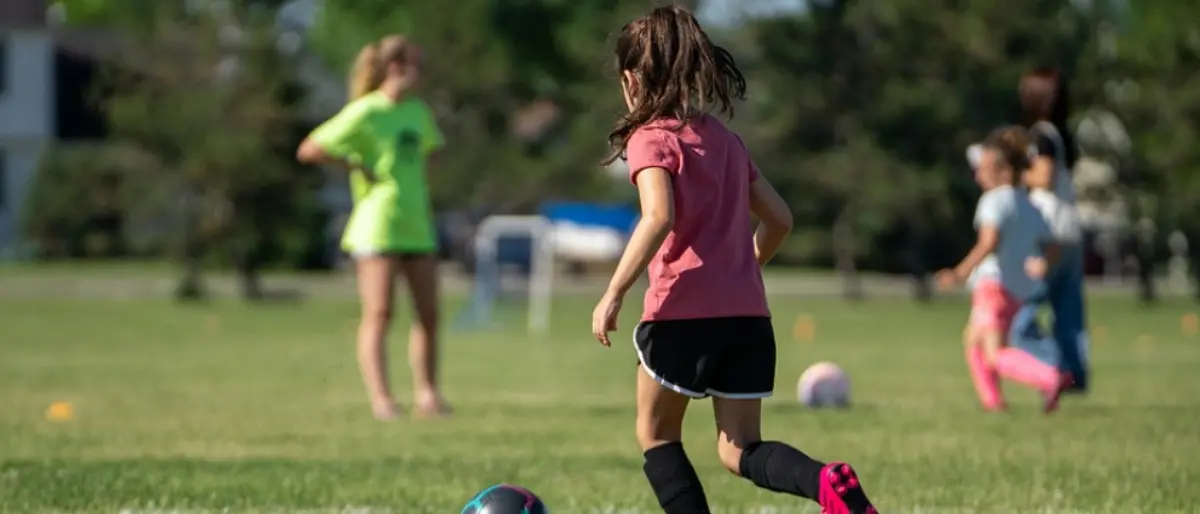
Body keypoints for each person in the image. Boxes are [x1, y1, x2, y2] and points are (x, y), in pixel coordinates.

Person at [589, 6, 877, 514]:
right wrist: (742, 271)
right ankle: (826, 481)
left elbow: (657, 216)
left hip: (680, 315)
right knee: (739, 448)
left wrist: (612, 293)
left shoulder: (649, 139)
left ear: (631, 80)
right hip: (747, 317)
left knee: (656, 436)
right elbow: (780, 218)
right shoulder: (722, 138)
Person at [296, 35, 450, 420]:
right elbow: (310, 149)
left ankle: (427, 395)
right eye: (416, 62)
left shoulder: (418, 112)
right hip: (376, 225)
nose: (422, 71)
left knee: (428, 315)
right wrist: (354, 164)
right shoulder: (365, 111)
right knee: (380, 313)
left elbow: (431, 155)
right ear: (396, 66)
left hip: (417, 224)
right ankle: (382, 399)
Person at [941, 127, 1074, 414]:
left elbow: (989, 241)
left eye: (983, 170)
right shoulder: (1027, 202)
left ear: (1002, 171)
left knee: (993, 353)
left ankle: (1050, 377)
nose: (978, 176)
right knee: (973, 342)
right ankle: (993, 402)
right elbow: (1053, 247)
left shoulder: (994, 200)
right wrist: (1042, 265)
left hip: (993, 285)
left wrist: (961, 271)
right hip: (1017, 290)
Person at [1019, 68, 1090, 393]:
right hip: (1070, 230)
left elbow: (1043, 178)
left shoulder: (1041, 135)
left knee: (1025, 314)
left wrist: (1014, 175)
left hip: (1046, 232)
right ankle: (1075, 376)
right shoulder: (1063, 134)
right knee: (1069, 314)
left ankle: (1055, 367)